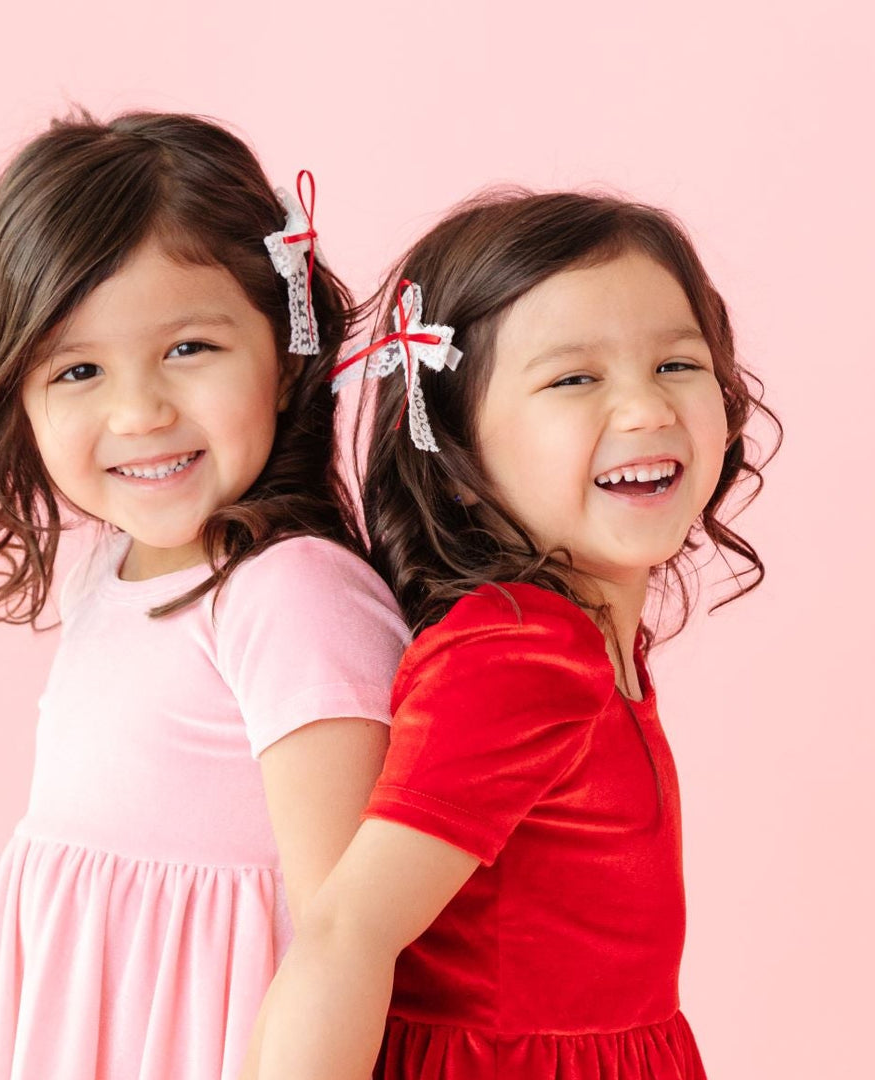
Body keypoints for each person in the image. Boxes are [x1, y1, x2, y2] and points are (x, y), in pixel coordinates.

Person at [0, 110, 408, 1080]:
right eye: (79, 370)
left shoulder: (290, 598)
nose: (138, 411)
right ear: (20, 396)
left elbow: (344, 938)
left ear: (286, 353)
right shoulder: (110, 566)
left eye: (190, 349)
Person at [250, 191, 780, 1079]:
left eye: (677, 364)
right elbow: (346, 932)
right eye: (575, 378)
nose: (647, 409)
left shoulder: (583, 643)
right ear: (455, 456)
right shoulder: (517, 653)